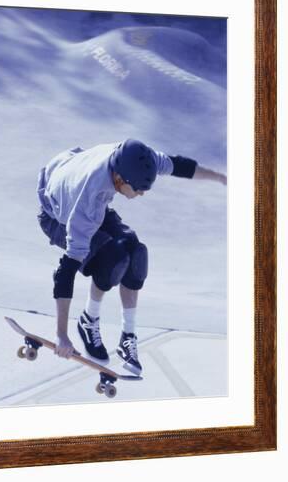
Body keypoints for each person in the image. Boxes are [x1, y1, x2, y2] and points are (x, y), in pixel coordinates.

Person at [36, 139, 226, 375]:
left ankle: (128, 335)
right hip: (56, 215)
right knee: (112, 258)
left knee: (136, 254)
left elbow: (179, 166)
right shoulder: (87, 203)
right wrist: (61, 335)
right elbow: (65, 272)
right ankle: (88, 321)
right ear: (118, 179)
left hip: (74, 179)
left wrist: (222, 178)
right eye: (137, 189)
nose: (142, 194)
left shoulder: (139, 158)